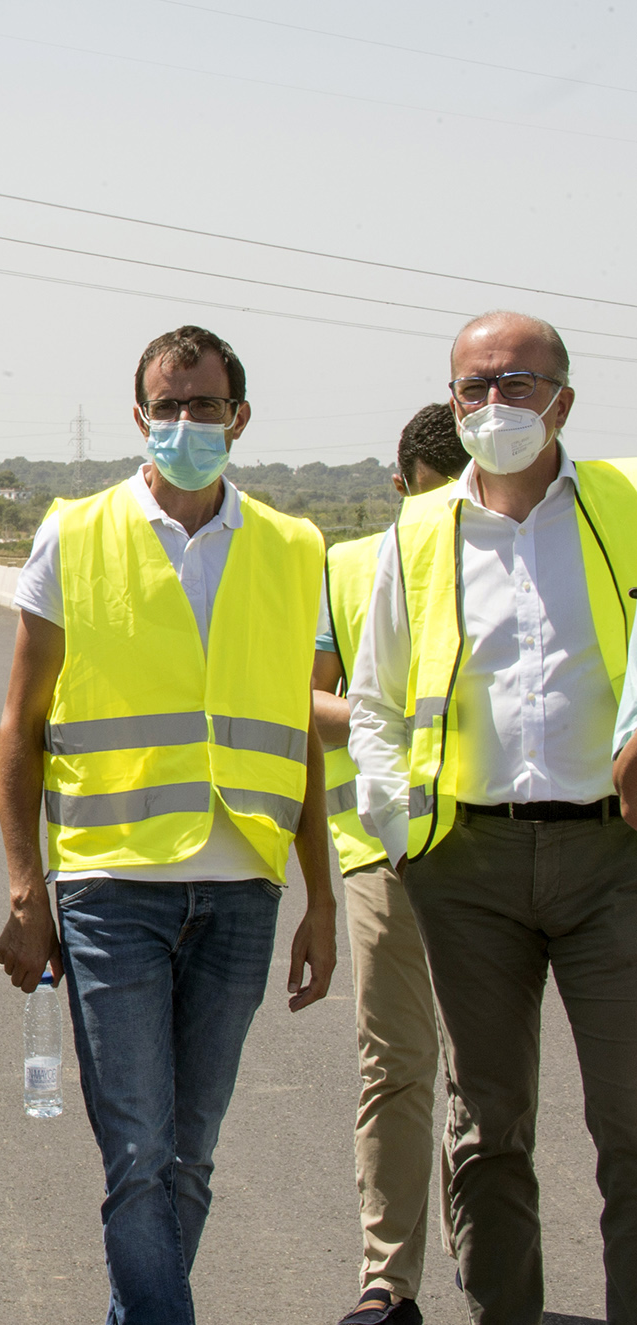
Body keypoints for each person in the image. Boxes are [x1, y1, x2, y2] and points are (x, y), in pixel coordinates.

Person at [0, 324, 337, 1323]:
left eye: (205, 404)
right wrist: (26, 889)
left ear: (239, 417)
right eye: (168, 405)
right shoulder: (76, 531)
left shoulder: (291, 546)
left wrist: (317, 897)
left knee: (191, 1151)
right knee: (136, 1149)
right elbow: (19, 728)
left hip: (242, 887)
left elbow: (297, 739)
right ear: (138, 418)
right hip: (110, 884)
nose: (187, 422)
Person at [348, 311, 637, 1325]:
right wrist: (395, 820)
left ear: (563, 399)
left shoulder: (621, 502)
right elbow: (376, 701)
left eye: (516, 384)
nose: (492, 405)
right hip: (463, 865)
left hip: (613, 854)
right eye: (473, 387)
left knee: (629, 1117)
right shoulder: (419, 532)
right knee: (487, 1125)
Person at [314, 404, 466, 1325]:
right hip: (384, 849)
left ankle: (465, 1264)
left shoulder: (512, 551)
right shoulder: (351, 564)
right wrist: (393, 735)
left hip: (488, 845)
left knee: (454, 1072)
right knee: (404, 1064)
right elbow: (316, 699)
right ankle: (390, 1279)